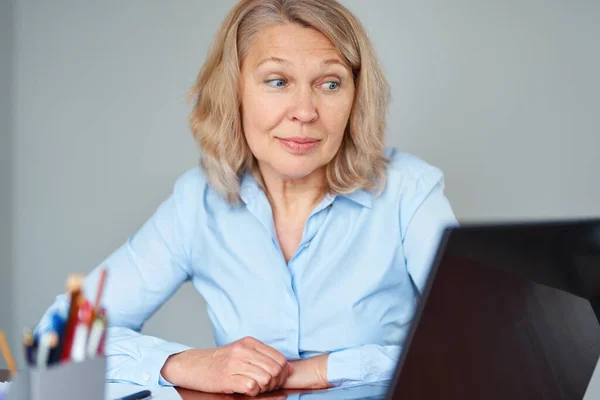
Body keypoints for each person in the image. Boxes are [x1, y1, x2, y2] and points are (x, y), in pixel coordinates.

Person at [36, 0, 457, 396]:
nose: (305, 111)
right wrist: (183, 363)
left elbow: (481, 340)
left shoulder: (409, 192)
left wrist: (318, 370)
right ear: (233, 92)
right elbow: (58, 337)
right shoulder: (198, 204)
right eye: (278, 81)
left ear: (355, 97)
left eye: (330, 83)